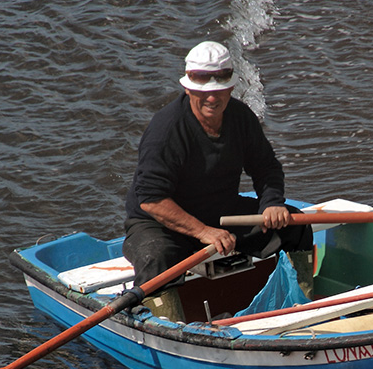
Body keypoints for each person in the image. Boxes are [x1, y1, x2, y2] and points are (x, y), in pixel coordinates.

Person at [123, 41, 311, 318]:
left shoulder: (241, 117)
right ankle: (169, 330)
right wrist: (203, 232)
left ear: (231, 87)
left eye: (219, 89)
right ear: (188, 88)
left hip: (221, 216)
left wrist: (272, 203)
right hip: (160, 225)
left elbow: (266, 167)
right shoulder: (166, 129)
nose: (212, 98)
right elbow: (151, 200)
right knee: (157, 256)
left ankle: (303, 305)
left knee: (296, 226)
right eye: (203, 91)